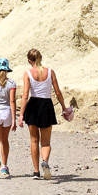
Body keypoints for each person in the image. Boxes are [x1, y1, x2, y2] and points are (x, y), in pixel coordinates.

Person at [19, 48, 67, 179]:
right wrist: (64, 107)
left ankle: (35, 172)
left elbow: (25, 95)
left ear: (30, 61)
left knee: (34, 140)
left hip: (33, 105)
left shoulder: (28, 73)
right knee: (46, 142)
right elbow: (57, 92)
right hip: (46, 106)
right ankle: (45, 161)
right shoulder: (50, 72)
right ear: (41, 58)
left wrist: (21, 114)